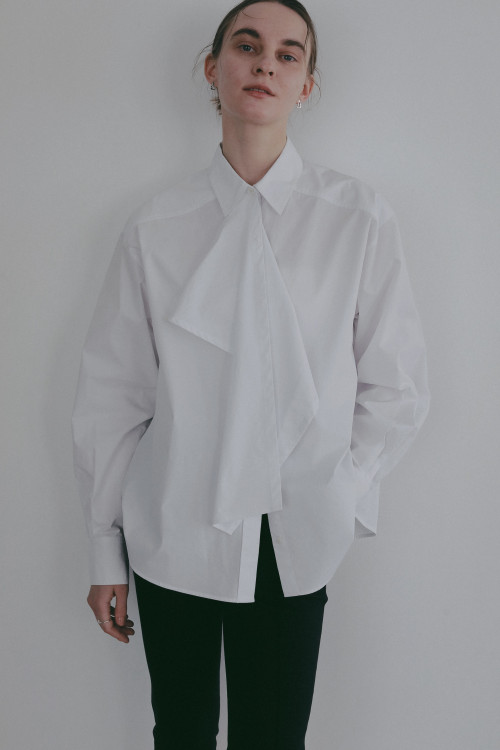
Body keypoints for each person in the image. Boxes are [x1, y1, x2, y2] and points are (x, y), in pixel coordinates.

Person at [71, 1, 430, 748]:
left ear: (306, 85)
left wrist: (342, 491)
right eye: (247, 45)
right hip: (173, 529)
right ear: (213, 67)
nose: (267, 62)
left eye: (289, 53)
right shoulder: (155, 227)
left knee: (273, 739)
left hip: (296, 536)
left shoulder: (357, 218)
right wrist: (106, 549)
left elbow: (397, 385)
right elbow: (114, 394)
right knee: (181, 734)